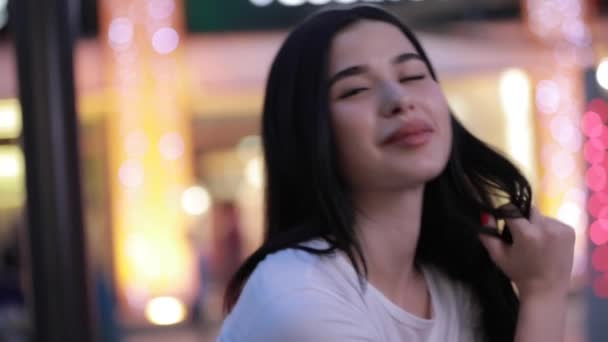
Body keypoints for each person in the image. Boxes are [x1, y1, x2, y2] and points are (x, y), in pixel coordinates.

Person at [217, 5, 575, 342]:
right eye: (355, 89)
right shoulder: (297, 295)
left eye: (413, 75)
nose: (399, 99)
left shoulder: (454, 287)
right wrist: (543, 293)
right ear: (309, 133)